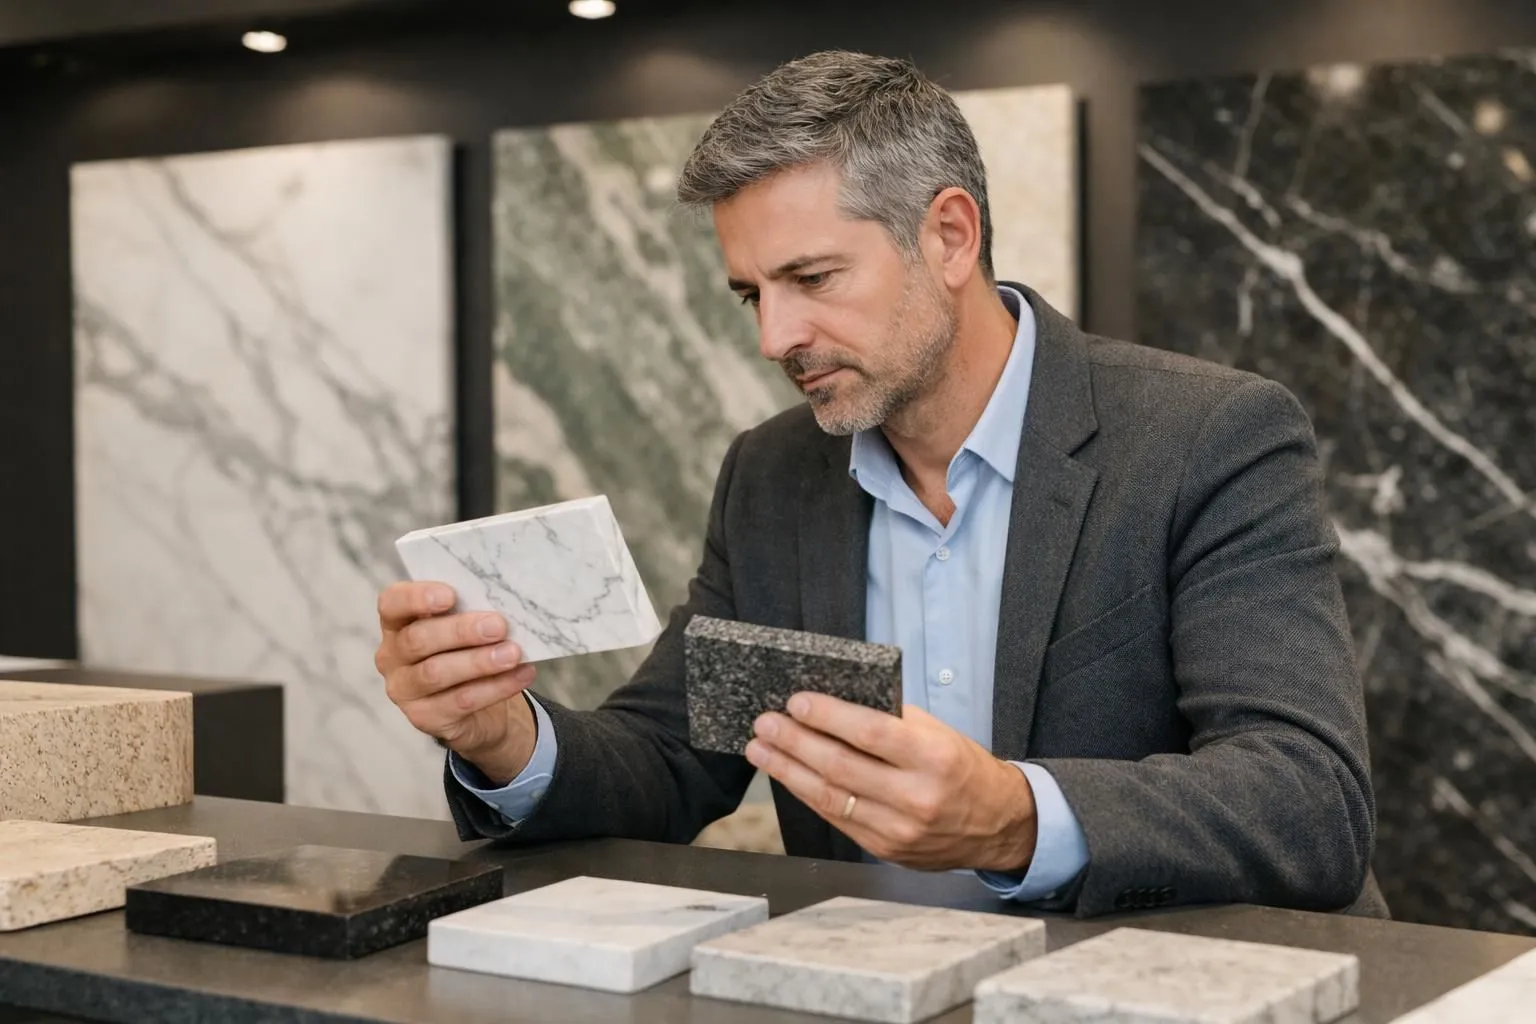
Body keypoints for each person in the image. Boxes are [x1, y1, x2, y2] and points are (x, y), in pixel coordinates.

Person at [375, 50, 1386, 918]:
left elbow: (1309, 797)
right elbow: (675, 758)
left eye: (813, 280)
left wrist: (1014, 815)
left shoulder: (1209, 436)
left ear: (950, 235)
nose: (776, 337)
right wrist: (504, 738)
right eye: (750, 295)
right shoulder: (772, 475)